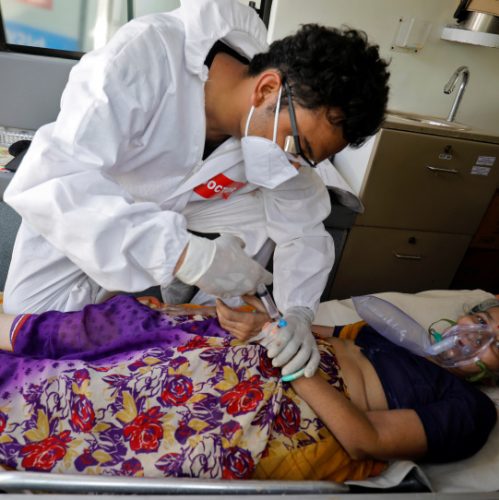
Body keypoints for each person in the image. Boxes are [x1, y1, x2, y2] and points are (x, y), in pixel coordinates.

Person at [2, 0, 390, 379]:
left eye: (311, 160)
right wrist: (188, 255)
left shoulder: (278, 135)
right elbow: (53, 181)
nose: (296, 165)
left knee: (265, 213)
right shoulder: (145, 56)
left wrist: (299, 313)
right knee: (29, 325)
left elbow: (304, 229)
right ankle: (175, 272)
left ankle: (211, 314)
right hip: (87, 200)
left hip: (195, 205)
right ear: (267, 89)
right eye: (297, 146)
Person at [0, 294, 496, 480]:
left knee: (117, 390)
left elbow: (365, 439)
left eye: (495, 343)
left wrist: (291, 363)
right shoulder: (393, 337)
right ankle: (14, 331)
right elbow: (317, 332)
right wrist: (265, 322)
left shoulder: (470, 408)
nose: (474, 335)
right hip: (269, 349)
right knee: (132, 318)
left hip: (290, 391)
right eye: (480, 319)